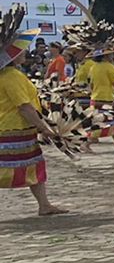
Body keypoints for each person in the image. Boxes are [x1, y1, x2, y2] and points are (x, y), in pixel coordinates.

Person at [0, 19, 66, 215]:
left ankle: (44, 205)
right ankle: (44, 205)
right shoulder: (12, 76)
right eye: (19, 50)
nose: (23, 52)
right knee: (10, 168)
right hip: (13, 128)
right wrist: (43, 128)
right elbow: (24, 107)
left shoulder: (10, 75)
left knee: (34, 164)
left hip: (16, 127)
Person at [86, 45, 114, 152]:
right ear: (106, 56)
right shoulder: (109, 67)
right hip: (106, 97)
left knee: (112, 121)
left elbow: (91, 84)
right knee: (105, 122)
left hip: (95, 97)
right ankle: (87, 143)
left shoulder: (93, 67)